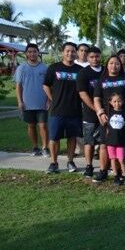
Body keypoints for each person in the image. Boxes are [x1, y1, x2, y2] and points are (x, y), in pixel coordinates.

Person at [93, 55, 125, 182]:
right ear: (107, 65)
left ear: (121, 65)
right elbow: (96, 98)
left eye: (117, 63)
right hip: (107, 119)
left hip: (123, 119)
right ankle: (103, 171)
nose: (114, 66)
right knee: (104, 144)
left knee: (122, 145)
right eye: (111, 63)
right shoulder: (101, 81)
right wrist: (100, 112)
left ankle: (123, 173)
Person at [43, 42, 83, 174]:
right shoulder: (54, 68)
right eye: (67, 51)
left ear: (75, 53)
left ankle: (70, 161)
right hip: (57, 110)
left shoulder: (79, 70)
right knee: (54, 138)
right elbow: (46, 85)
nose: (70, 53)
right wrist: (52, 98)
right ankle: (53, 163)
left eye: (73, 51)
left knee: (72, 137)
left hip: (74, 110)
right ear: (62, 52)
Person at [15, 43, 49, 157]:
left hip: (42, 102)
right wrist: (20, 102)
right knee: (31, 125)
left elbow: (49, 86)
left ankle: (45, 147)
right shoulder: (21, 68)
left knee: (43, 125)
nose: (32, 54)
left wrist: (49, 100)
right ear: (26, 54)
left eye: (34, 51)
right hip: (27, 103)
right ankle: (35, 147)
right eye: (29, 52)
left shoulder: (44, 67)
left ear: (38, 53)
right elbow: (18, 86)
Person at [76, 46, 104, 178]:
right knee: (89, 141)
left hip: (106, 113)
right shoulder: (83, 73)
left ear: (100, 56)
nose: (94, 59)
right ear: (87, 58)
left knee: (105, 141)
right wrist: (97, 109)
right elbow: (83, 94)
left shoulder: (105, 71)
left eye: (97, 56)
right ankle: (89, 166)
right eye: (91, 57)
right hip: (90, 113)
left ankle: (105, 166)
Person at [104, 93, 125, 185]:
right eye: (114, 101)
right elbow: (106, 127)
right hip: (111, 141)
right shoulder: (108, 113)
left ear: (122, 102)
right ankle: (116, 177)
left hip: (121, 141)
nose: (116, 103)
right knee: (113, 159)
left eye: (119, 101)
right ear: (110, 102)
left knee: (122, 160)